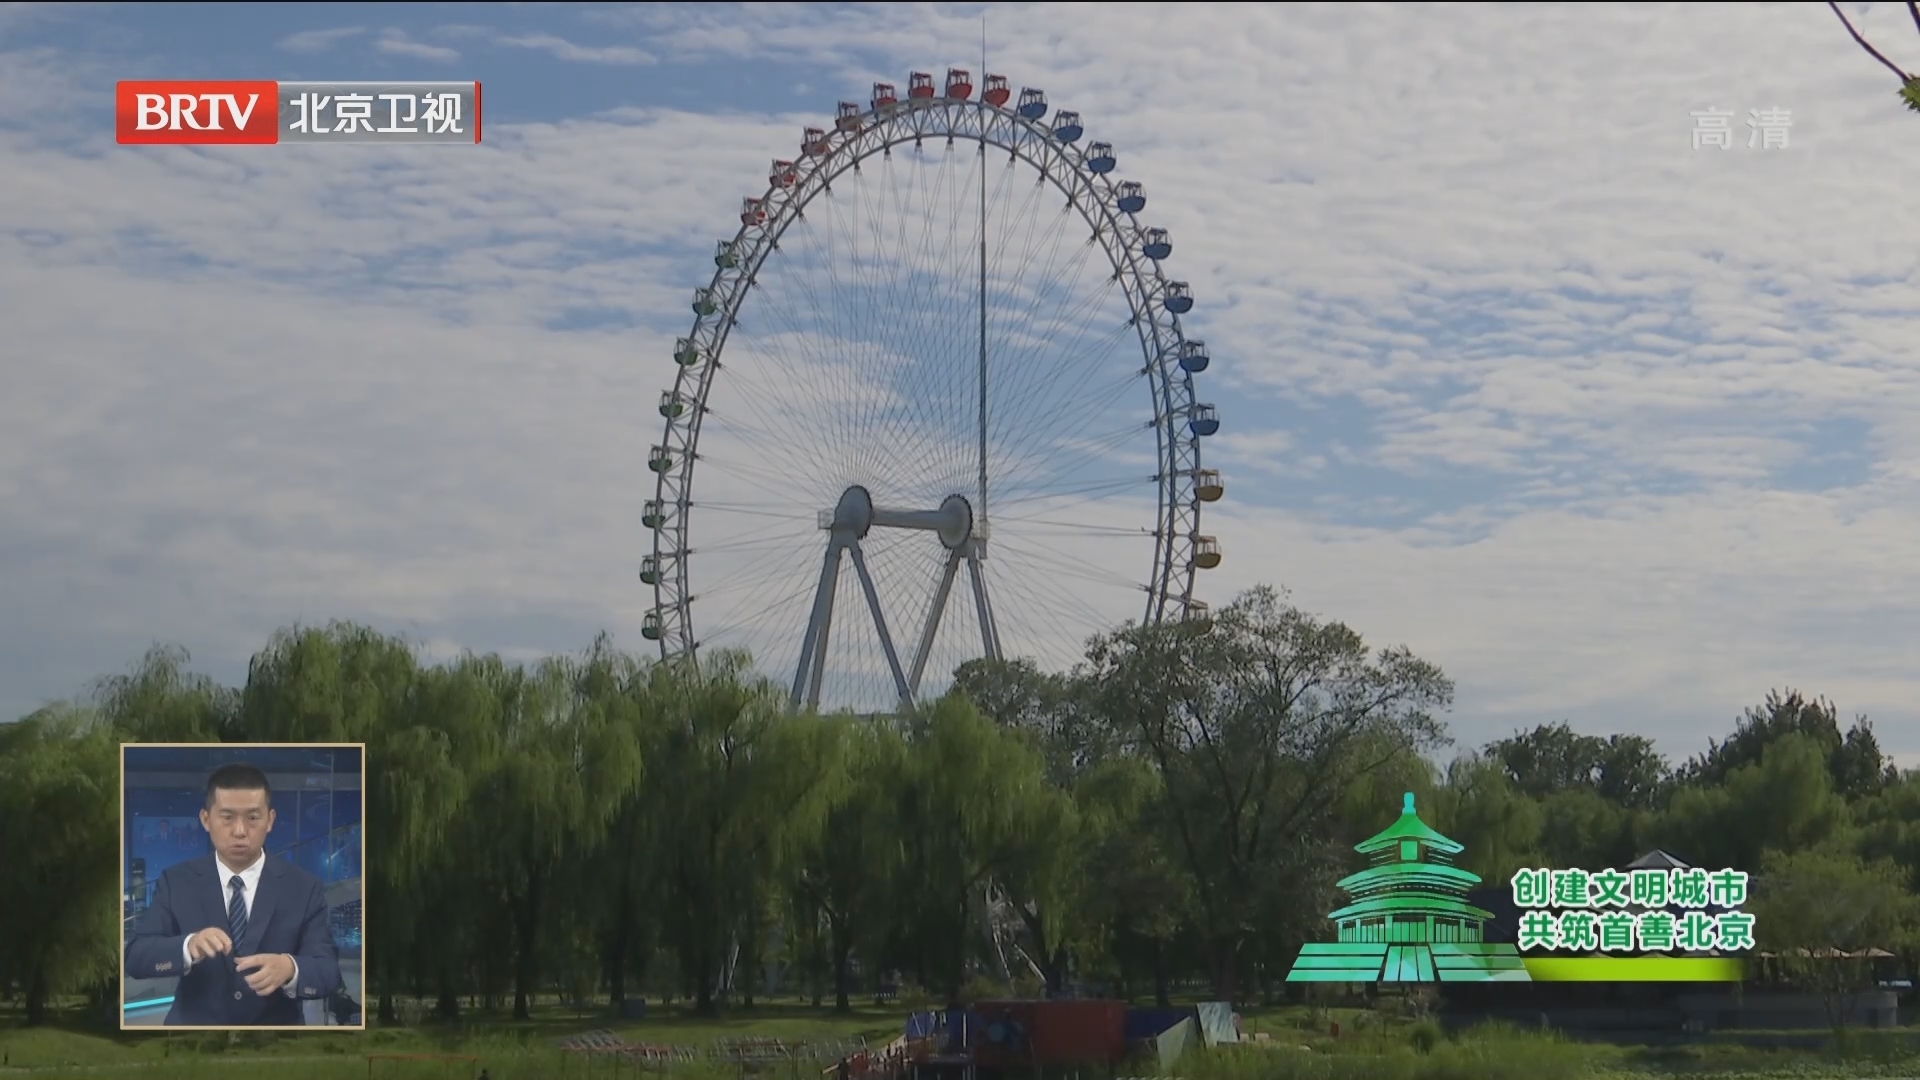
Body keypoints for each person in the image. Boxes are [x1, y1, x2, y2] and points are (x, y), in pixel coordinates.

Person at [124, 763, 343, 1026]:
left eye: (252, 818)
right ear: (206, 820)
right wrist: (188, 946)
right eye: (227, 817)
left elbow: (328, 971)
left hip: (274, 1039)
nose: (240, 831)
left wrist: (289, 968)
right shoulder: (176, 882)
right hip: (192, 1037)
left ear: (270, 820)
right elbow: (136, 957)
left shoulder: (304, 887)